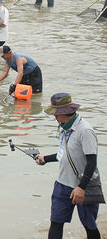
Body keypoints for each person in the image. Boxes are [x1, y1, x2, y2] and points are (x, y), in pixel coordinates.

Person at [34, 93, 102, 239]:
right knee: (56, 223)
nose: (54, 117)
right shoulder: (64, 127)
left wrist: (81, 188)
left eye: (55, 114)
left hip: (85, 185)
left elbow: (92, 162)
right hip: (63, 183)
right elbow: (63, 154)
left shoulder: (85, 131)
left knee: (89, 226)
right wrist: (45, 159)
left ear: (63, 113)